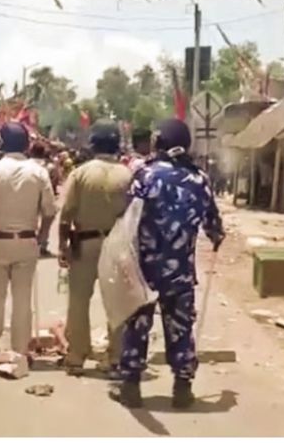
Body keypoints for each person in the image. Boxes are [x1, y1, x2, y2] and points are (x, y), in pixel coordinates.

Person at [110, 119, 225, 410]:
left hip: (144, 271)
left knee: (137, 327)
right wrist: (213, 236)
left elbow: (127, 219)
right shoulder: (200, 180)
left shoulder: (144, 176)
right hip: (181, 274)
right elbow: (214, 228)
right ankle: (182, 388)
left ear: (159, 141)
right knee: (181, 330)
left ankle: (131, 387)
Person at [0, 123, 57, 358]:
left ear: (2, 143)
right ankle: (20, 349)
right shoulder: (39, 172)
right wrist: (41, 237)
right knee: (23, 299)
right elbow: (50, 211)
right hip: (27, 241)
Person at [57, 120, 132, 378]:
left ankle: (77, 356)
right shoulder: (128, 174)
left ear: (92, 145)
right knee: (117, 302)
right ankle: (116, 357)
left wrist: (61, 246)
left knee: (78, 301)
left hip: (84, 243)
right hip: (118, 244)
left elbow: (66, 215)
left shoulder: (80, 173)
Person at [29, 141, 56, 257]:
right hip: (45, 196)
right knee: (48, 219)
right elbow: (55, 181)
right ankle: (42, 242)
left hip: (29, 196)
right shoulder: (50, 167)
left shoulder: (26, 164)